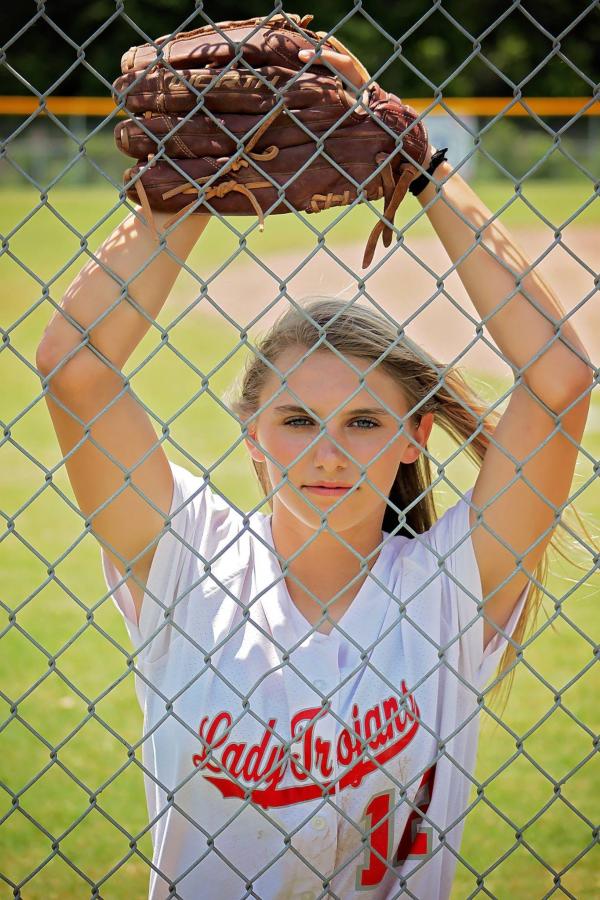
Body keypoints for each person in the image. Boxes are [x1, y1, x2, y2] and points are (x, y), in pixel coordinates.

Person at [36, 45, 591, 900]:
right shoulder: (192, 558)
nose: (328, 452)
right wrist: (193, 181)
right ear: (253, 437)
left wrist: (422, 166)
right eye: (296, 420)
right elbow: (75, 366)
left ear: (414, 438)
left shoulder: (449, 588)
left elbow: (558, 382)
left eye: (365, 422)